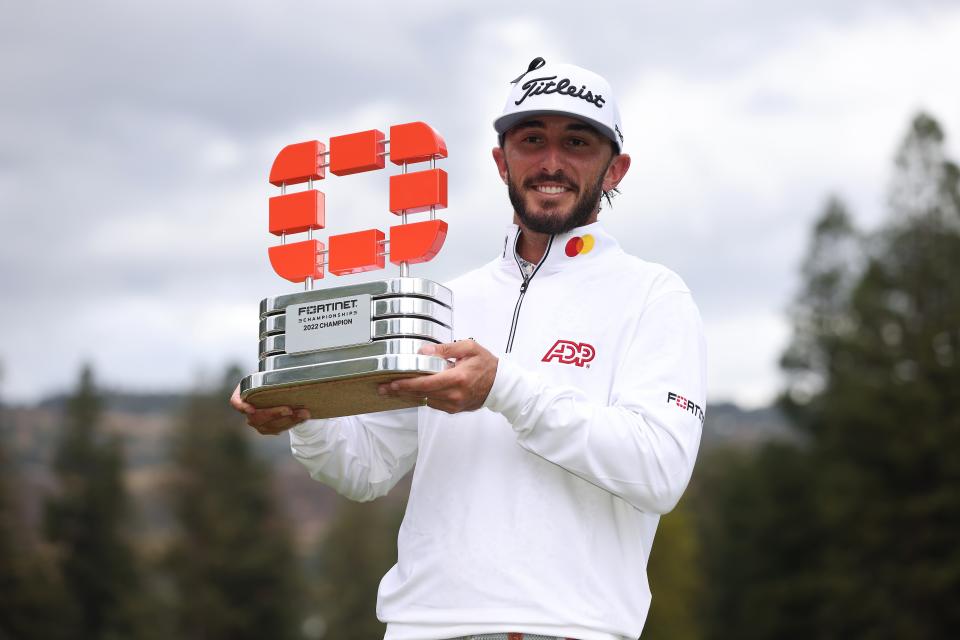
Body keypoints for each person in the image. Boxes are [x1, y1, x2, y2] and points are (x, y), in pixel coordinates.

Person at [231, 58, 707, 640]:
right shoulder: (447, 300)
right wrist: (303, 415)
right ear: (501, 160)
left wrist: (503, 388)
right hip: (419, 627)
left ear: (615, 169)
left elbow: (658, 471)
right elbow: (366, 468)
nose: (551, 162)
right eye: (532, 140)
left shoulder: (653, 295)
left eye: (577, 142)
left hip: (569, 629)